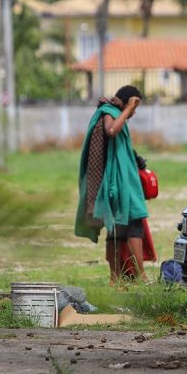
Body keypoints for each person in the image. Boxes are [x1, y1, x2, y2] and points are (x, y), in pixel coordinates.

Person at [75, 85, 150, 285]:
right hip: (116, 182)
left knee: (118, 229)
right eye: (134, 106)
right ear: (127, 102)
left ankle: (115, 278)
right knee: (133, 224)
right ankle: (140, 276)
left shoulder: (113, 113)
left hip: (122, 179)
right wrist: (127, 110)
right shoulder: (109, 113)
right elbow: (111, 131)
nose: (133, 112)